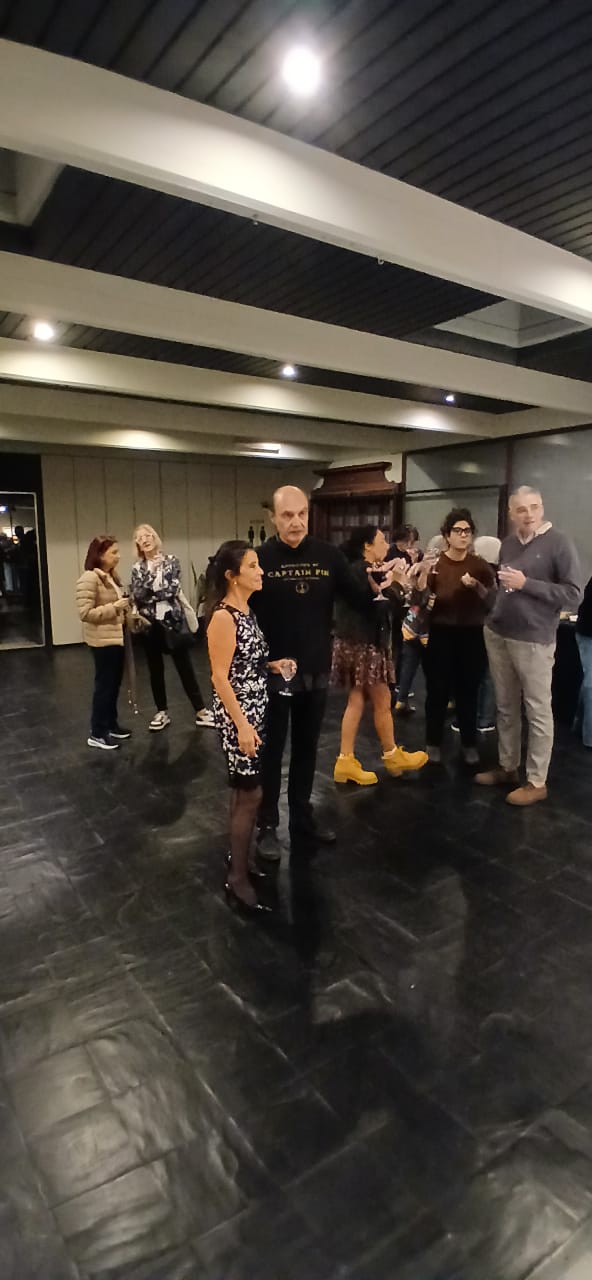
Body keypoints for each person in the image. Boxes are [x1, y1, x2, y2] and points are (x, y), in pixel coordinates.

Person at [251, 485, 392, 859]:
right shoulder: (260, 559)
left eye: (302, 514)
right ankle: (267, 824)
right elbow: (240, 610)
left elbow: (358, 599)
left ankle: (301, 817)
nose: (296, 522)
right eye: (287, 515)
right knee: (272, 750)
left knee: (307, 747)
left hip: (314, 667)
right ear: (273, 518)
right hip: (273, 672)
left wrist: (378, 590)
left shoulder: (328, 556)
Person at [476, 486, 582, 804]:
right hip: (499, 633)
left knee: (537, 711)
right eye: (521, 509)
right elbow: (504, 588)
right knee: (505, 706)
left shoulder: (559, 543)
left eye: (534, 507)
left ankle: (536, 781)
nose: (529, 514)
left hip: (534, 640)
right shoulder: (508, 544)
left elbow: (573, 594)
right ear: (511, 513)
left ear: (542, 508)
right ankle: (508, 767)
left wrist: (527, 584)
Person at [206, 540, 296, 914]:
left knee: (243, 791)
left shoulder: (247, 610)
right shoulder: (224, 617)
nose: (261, 572)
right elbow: (220, 677)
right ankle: (237, 875)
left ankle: (240, 858)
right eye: (253, 566)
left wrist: (274, 665)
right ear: (232, 576)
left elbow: (246, 662)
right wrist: (242, 726)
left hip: (255, 712)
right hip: (239, 717)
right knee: (251, 793)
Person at [331, 525, 428, 784]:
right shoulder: (360, 570)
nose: (387, 545)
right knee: (380, 699)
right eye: (382, 541)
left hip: (358, 641)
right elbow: (376, 608)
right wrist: (396, 584)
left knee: (359, 700)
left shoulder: (361, 569)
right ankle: (388, 755)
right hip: (363, 643)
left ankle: (349, 759)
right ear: (367, 546)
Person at [420, 508, 495, 765]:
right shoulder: (436, 565)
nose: (463, 535)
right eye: (458, 530)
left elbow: (492, 601)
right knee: (437, 690)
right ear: (447, 535)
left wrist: (476, 587)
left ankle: (469, 743)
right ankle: (433, 742)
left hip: (471, 634)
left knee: (468, 690)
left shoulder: (480, 566)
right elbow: (420, 600)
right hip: (441, 633)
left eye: (468, 531)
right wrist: (421, 577)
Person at [130, 524, 214, 731]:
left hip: (172, 621)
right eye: (140, 538)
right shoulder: (137, 568)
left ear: (155, 538)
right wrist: (154, 577)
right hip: (149, 624)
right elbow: (138, 595)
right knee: (155, 669)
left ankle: (201, 710)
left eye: (148, 535)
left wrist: (151, 590)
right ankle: (161, 712)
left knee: (185, 666)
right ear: (137, 544)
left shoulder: (171, 561)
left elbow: (171, 590)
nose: (145, 539)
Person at [75, 535, 131, 751]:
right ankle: (97, 732)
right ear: (99, 555)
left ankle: (110, 724)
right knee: (104, 687)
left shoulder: (111, 576)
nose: (118, 556)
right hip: (102, 641)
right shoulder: (89, 578)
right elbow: (85, 613)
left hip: (115, 637)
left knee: (114, 684)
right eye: (113, 552)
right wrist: (115, 607)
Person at [575, 576, 592, 749]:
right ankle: (590, 737)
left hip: (585, 630)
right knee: (591, 683)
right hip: (588, 633)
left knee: (589, 681)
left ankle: (579, 723)